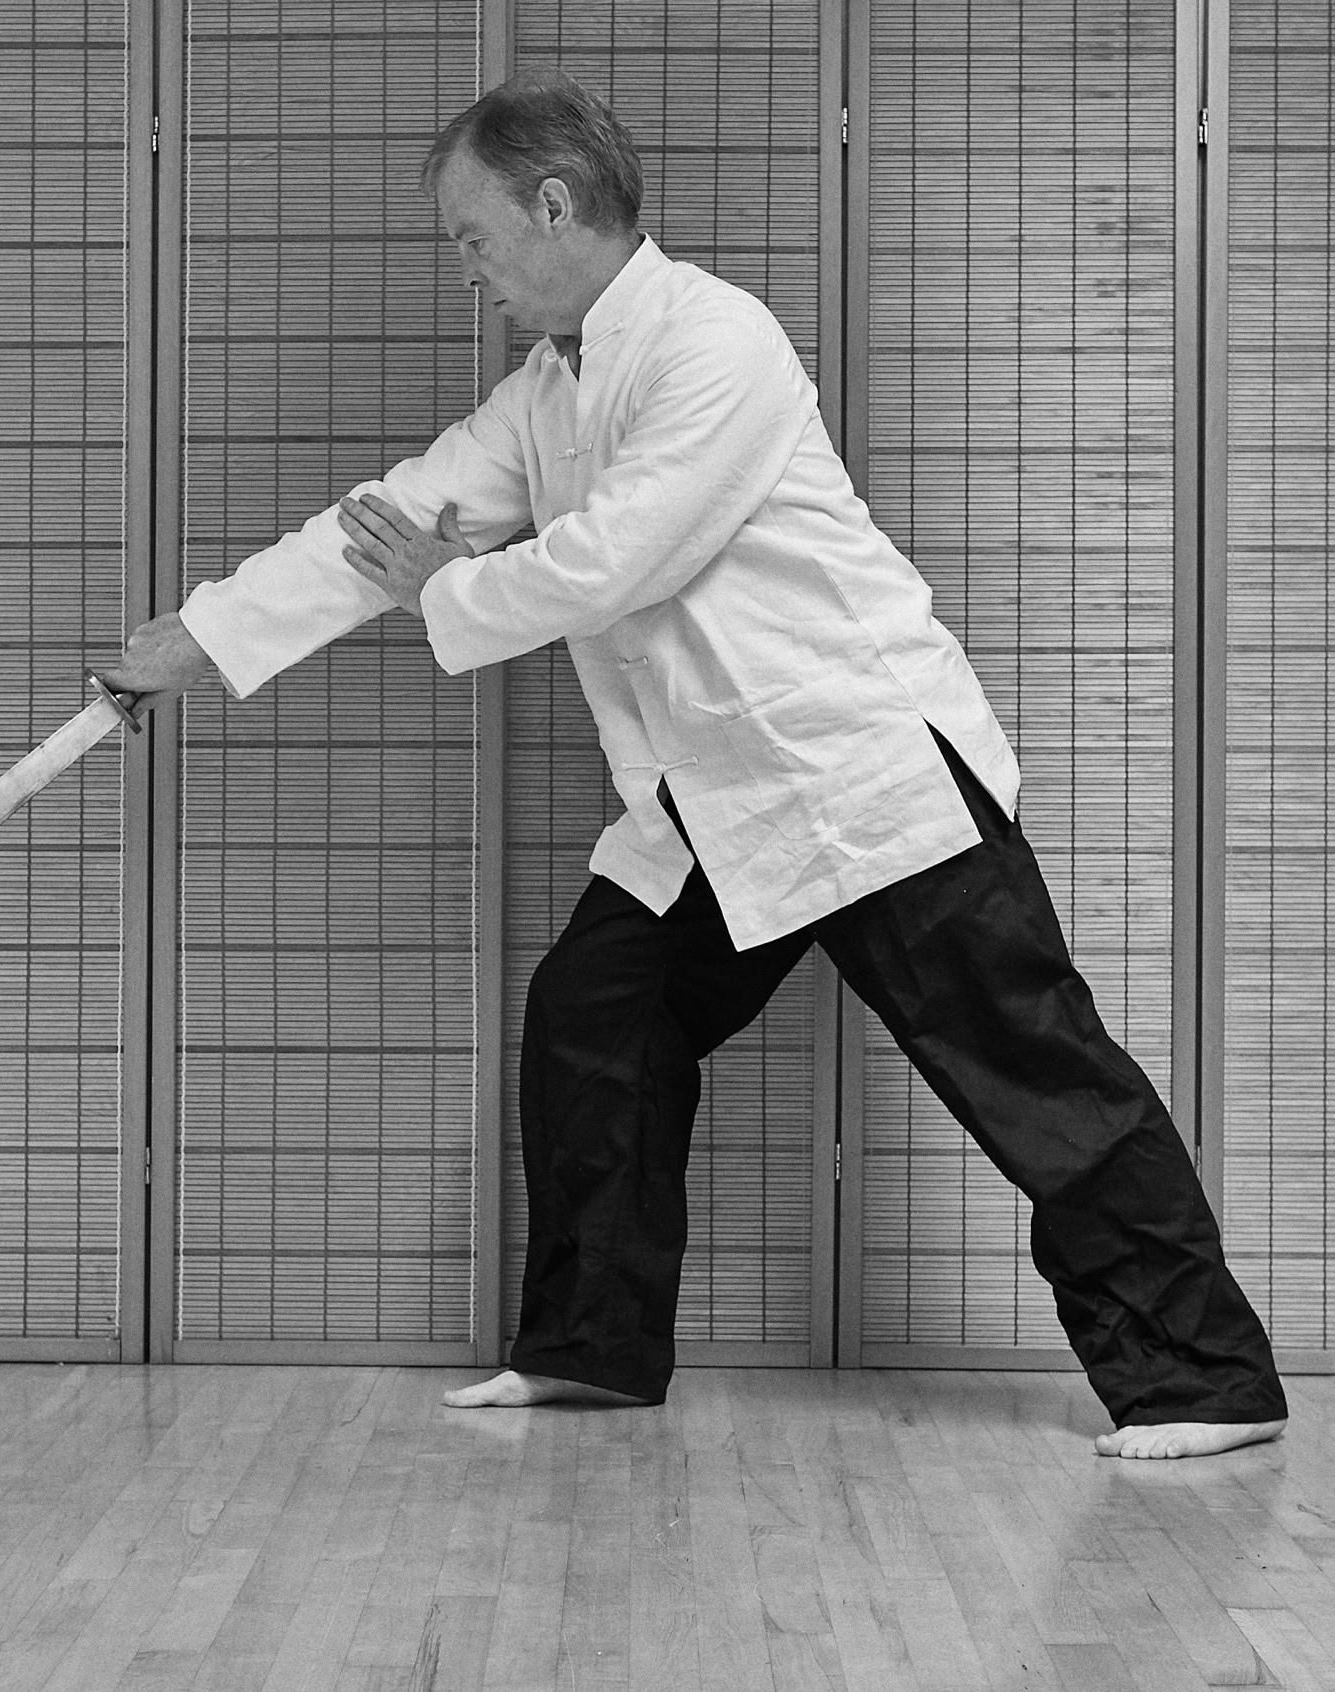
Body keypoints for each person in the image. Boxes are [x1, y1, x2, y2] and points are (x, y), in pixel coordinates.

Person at [103, 69, 1288, 1461]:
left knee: (1030, 1062)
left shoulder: (718, 340)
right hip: (719, 801)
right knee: (596, 1015)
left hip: (863, 773)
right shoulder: (544, 395)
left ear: (554, 204)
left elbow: (614, 560)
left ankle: (1204, 1378)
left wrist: (445, 592)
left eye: (474, 237)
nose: (466, 269)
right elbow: (389, 522)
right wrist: (196, 637)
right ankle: (593, 1350)